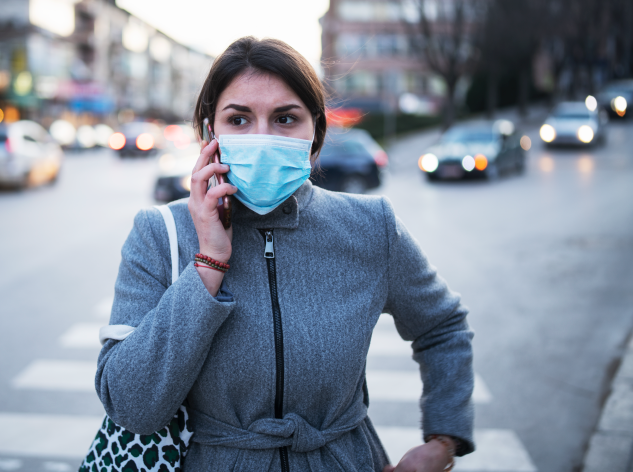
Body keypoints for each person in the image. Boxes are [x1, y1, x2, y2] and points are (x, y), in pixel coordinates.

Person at [96, 37, 475, 472]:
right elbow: (130, 406)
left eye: (285, 118)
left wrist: (443, 440)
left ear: (315, 131)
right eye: (239, 119)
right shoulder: (159, 235)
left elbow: (443, 326)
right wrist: (208, 264)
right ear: (209, 133)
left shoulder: (371, 227)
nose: (262, 138)